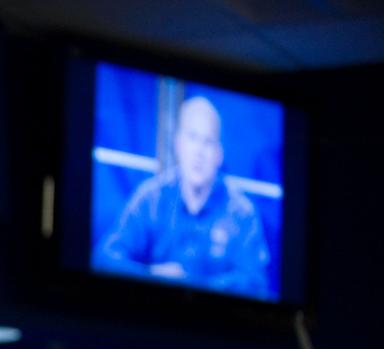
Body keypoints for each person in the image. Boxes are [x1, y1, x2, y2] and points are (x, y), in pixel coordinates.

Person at [93, 96, 271, 298]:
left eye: (208, 142)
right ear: (178, 144)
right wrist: (151, 276)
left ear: (219, 155)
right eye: (192, 138)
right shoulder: (152, 198)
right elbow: (105, 259)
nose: (199, 152)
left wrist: (191, 286)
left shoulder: (241, 213)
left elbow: (256, 284)